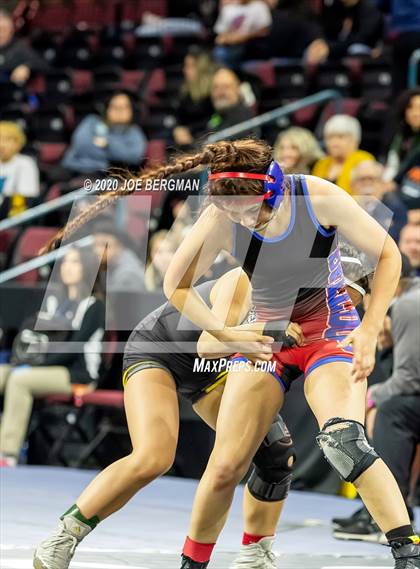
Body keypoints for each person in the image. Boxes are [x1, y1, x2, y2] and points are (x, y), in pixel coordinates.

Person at [38, 139, 420, 569]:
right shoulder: (223, 224)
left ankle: (405, 553)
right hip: (185, 347)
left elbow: (388, 254)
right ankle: (178, 559)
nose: (240, 219)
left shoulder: (316, 196)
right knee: (205, 463)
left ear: (273, 190)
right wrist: (231, 333)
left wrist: (369, 329)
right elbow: (178, 291)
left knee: (339, 443)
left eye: (246, 208)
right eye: (230, 210)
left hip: (321, 332)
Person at [33, 267, 301, 569]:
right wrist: (272, 331)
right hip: (159, 350)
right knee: (153, 457)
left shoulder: (309, 297)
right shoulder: (243, 281)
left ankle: (255, 554)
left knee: (275, 449)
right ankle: (66, 534)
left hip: (212, 370)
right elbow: (209, 346)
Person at [333, 255, 419, 542]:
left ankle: (388, 518)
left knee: (391, 410)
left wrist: (371, 400)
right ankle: (378, 510)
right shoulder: (411, 299)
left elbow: (409, 379)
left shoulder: (407, 305)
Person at [0, 246, 105, 468]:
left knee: (20, 380)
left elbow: (73, 348)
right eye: (65, 262)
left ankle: (7, 453)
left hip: (77, 373)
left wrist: (35, 367)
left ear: (87, 268)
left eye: (74, 262)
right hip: (40, 366)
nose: (67, 267)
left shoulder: (94, 306)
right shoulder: (53, 301)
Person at [61, 91, 147, 175]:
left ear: (132, 111)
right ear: (107, 109)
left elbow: (134, 157)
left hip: (107, 178)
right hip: (74, 171)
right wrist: (107, 160)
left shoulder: (135, 132)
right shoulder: (91, 122)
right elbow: (81, 146)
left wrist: (107, 144)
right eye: (115, 107)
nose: (120, 111)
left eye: (124, 107)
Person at [305, 0, 383, 65]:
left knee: (356, 49)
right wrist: (321, 43)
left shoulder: (369, 10)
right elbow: (327, 31)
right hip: (339, 48)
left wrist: (331, 48)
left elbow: (362, 39)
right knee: (313, 49)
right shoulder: (336, 8)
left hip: (367, 51)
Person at [312, 114, 374, 194]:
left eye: (340, 137)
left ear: (354, 140)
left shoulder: (364, 160)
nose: (334, 143)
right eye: (330, 137)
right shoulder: (321, 164)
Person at [350, 160, 407, 242]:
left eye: (372, 179)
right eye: (362, 179)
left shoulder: (396, 209)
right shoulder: (344, 208)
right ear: (352, 185)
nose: (367, 183)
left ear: (382, 185)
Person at [173, 50, 216, 148]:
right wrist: (177, 130)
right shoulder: (185, 92)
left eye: (189, 66)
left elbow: (214, 120)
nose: (184, 70)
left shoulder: (212, 92)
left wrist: (189, 131)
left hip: (207, 137)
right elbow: (179, 118)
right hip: (187, 139)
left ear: (201, 68)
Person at [213, 0, 272, 68]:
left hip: (252, 46)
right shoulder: (228, 8)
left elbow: (265, 31)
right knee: (219, 52)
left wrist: (244, 37)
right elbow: (220, 34)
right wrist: (228, 39)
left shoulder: (259, 6)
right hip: (230, 47)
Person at [92, 220, 146, 292]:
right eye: (95, 244)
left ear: (119, 247)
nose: (97, 251)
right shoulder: (109, 265)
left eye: (104, 245)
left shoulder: (129, 275)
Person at [0, 120, 40, 218]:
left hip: (11, 216)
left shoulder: (26, 163)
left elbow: (25, 199)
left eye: (7, 139)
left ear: (18, 143)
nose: (2, 145)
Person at [0, 9, 48, 85]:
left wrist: (27, 67)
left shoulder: (19, 46)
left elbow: (43, 65)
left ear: (11, 31)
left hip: (12, 91)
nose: (1, 34)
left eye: (5, 30)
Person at [384, 89, 420, 185]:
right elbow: (393, 164)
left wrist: (394, 182)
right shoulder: (400, 136)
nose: (415, 113)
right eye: (410, 108)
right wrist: (387, 182)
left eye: (419, 108)